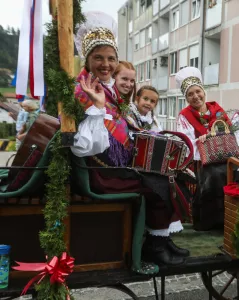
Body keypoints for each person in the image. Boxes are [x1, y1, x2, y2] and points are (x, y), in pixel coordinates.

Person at [71, 12, 189, 267]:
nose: (106, 64)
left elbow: (120, 126)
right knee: (160, 184)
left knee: (168, 175)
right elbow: (89, 145)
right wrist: (98, 108)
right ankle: (153, 246)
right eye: (98, 58)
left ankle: (161, 238)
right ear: (87, 59)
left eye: (111, 58)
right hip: (101, 171)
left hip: (115, 164)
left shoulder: (104, 87)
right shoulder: (84, 89)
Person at [176, 67, 231, 231]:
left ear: (203, 91)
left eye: (197, 91)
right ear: (186, 98)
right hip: (201, 160)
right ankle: (207, 223)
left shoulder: (217, 110)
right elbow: (185, 142)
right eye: (190, 94)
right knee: (212, 176)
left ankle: (226, 220)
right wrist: (201, 141)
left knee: (229, 175)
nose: (195, 96)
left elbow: (230, 130)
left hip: (222, 156)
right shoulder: (184, 115)